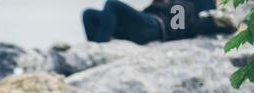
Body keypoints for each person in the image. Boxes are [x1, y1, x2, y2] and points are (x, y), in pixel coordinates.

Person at [83, 0, 236, 44]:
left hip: (154, 27)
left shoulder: (182, 6)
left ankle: (99, 46)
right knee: (89, 14)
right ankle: (96, 45)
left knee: (112, 4)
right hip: (144, 23)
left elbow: (179, 31)